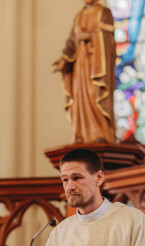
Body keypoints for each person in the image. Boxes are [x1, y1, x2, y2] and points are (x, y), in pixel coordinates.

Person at [52, 0, 116, 144]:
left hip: (96, 65)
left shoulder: (104, 12)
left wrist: (89, 36)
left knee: (95, 94)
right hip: (80, 67)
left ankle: (100, 132)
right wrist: (64, 60)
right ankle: (80, 133)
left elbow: (109, 38)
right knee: (80, 98)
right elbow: (71, 42)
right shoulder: (79, 15)